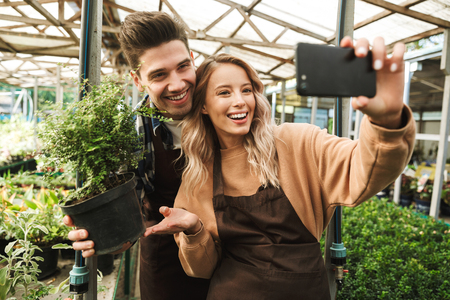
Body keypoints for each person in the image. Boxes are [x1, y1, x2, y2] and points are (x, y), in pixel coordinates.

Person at [144, 36, 416, 299]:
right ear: (203, 106)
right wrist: (193, 230)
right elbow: (200, 270)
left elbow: (363, 170)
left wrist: (386, 123)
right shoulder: (197, 177)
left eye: (246, 90)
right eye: (224, 92)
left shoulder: (298, 143)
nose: (240, 100)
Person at [63, 11, 210, 300]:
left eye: (183, 67)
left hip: (231, 255)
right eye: (159, 75)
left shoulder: (223, 109)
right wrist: (98, 236)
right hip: (167, 260)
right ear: (138, 80)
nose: (178, 84)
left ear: (193, 58)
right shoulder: (132, 135)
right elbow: (125, 216)